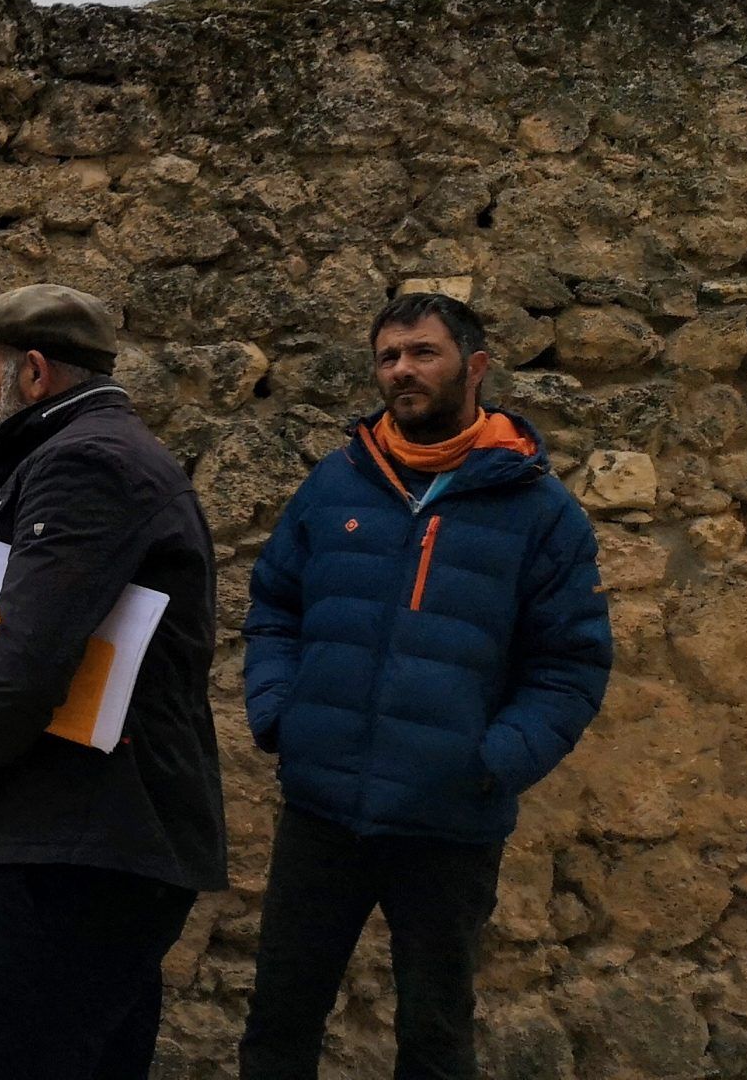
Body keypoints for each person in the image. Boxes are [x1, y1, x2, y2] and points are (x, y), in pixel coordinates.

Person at [237, 292, 610, 1079]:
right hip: (321, 811)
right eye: (388, 356)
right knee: (278, 1024)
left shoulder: (541, 512)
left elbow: (570, 665)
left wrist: (491, 761)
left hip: (449, 822)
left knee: (436, 1038)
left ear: (475, 367)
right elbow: (273, 607)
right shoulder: (334, 487)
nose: (401, 370)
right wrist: (280, 714)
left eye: (422, 353)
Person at [0, 283, 227, 1080]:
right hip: (98, 834)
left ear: (32, 373)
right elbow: (69, 626)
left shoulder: (83, 463)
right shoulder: (92, 452)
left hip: (92, 838)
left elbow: (34, 655)